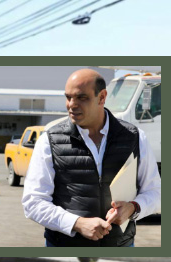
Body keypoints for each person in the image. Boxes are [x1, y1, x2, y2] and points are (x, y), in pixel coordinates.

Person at [22, 69, 161, 247]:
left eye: (81, 98)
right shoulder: (49, 141)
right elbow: (33, 202)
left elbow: (155, 192)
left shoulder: (135, 138)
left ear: (102, 97)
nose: (72, 104)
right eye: (68, 97)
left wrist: (133, 207)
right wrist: (77, 223)